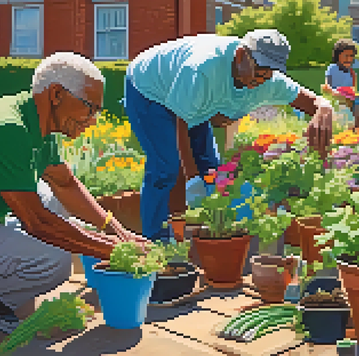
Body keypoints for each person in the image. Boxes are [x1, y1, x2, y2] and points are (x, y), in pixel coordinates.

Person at [0, 53, 146, 342]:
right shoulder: (7, 129)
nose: (92, 121)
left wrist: (119, 233)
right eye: (90, 109)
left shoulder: (38, 125)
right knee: (53, 261)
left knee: (52, 198)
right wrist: (112, 252)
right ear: (56, 94)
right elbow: (38, 223)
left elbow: (65, 184)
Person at [124, 29, 333, 242]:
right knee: (165, 167)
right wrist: (192, 178)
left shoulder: (269, 82)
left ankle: (209, 236)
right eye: (259, 70)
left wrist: (324, 107)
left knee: (213, 171)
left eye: (269, 73)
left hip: (192, 100)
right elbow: (182, 122)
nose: (262, 79)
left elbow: (313, 103)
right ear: (241, 55)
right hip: (149, 88)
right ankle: (156, 241)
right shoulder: (202, 69)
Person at [322, 38, 359, 128]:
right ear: (338, 56)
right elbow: (327, 85)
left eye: (351, 56)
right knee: (355, 106)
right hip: (337, 96)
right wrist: (335, 93)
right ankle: (356, 126)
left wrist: (352, 95)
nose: (349, 59)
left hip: (350, 98)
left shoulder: (352, 73)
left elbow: (353, 90)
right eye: (345, 56)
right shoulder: (332, 68)